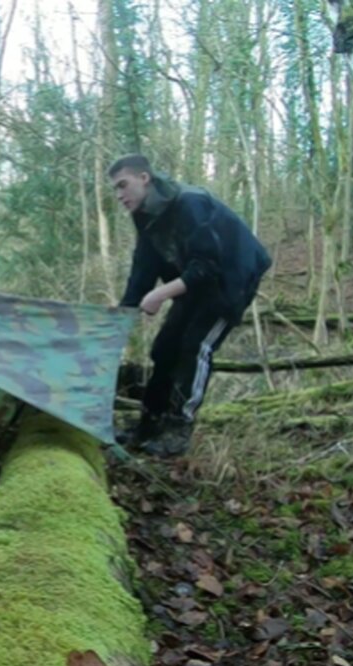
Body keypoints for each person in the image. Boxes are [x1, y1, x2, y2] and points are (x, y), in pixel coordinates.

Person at [110, 154, 272, 457]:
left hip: (229, 280)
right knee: (163, 349)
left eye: (123, 185)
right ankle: (149, 423)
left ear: (144, 178)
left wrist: (160, 295)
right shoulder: (143, 213)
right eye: (115, 189)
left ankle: (178, 429)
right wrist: (125, 310)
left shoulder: (190, 203)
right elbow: (144, 265)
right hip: (194, 282)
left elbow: (208, 266)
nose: (119, 195)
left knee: (196, 347)